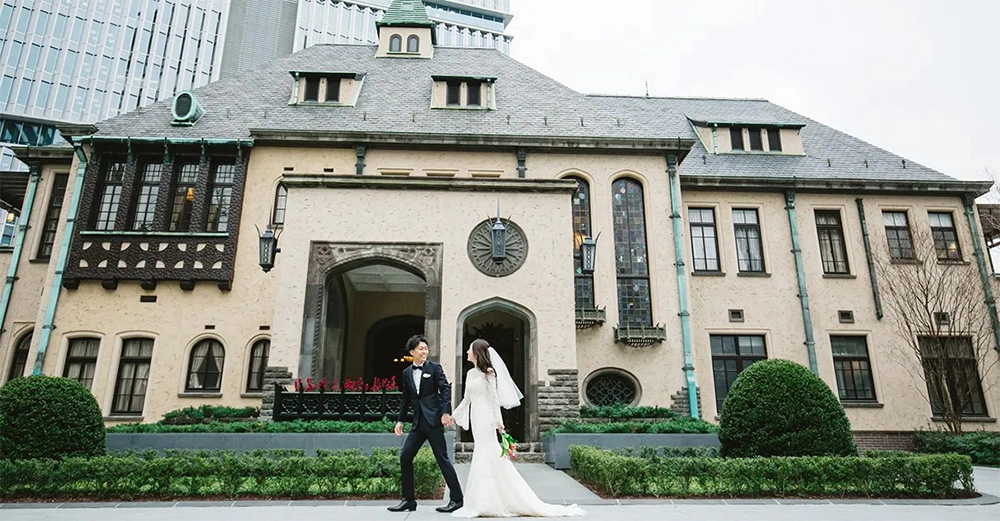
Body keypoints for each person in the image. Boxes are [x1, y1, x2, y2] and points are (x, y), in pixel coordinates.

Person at [451, 339, 585, 518]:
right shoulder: (470, 373)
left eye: (469, 349)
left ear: (477, 352)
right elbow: (467, 398)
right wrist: (454, 415)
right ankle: (482, 500)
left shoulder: (489, 373)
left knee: (486, 453)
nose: (467, 352)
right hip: (475, 416)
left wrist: (499, 423)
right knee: (482, 453)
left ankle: (486, 502)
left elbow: (494, 399)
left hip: (486, 417)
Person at [388, 334, 464, 513]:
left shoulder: (435, 368)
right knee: (405, 457)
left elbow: (445, 389)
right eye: (420, 349)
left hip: (433, 421)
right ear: (412, 352)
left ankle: (457, 499)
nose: (424, 352)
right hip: (417, 424)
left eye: (426, 349)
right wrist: (400, 420)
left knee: (442, 458)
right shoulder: (407, 373)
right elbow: (405, 398)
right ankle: (408, 500)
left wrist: (445, 412)